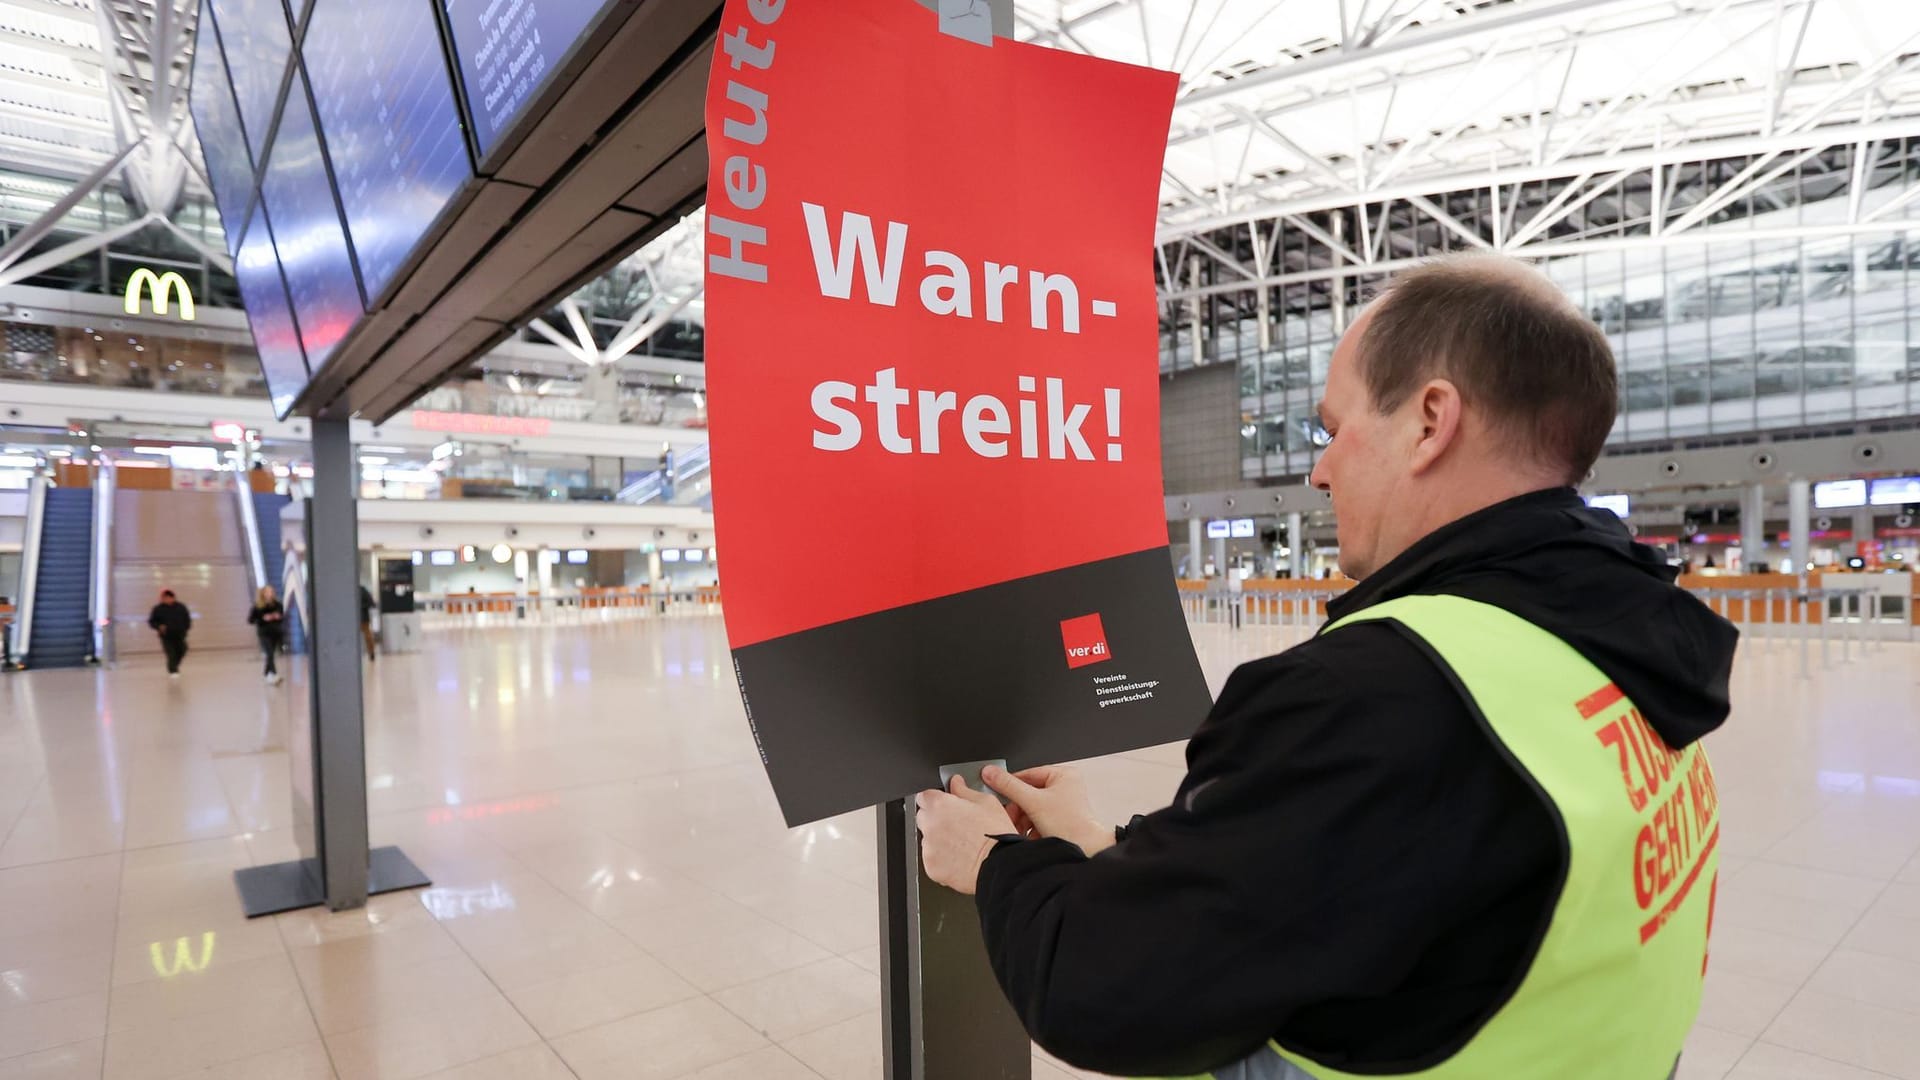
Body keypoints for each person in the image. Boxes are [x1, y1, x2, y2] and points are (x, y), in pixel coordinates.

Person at [916, 255, 1738, 1080]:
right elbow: (1367, 873)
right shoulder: (1620, 637)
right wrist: (1098, 843)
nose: (1318, 469)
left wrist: (995, 864)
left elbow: (1102, 991)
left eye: (1333, 428)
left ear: (1429, 421)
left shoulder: (1378, 692)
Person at [147, 589, 191, 678]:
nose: (164, 600)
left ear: (172, 598)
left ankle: (174, 665)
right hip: (166, 636)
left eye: (167, 598)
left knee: (182, 650)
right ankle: (173, 670)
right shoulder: (158, 609)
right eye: (163, 598)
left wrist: (185, 629)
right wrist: (159, 626)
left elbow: (187, 619)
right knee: (171, 653)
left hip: (179, 634)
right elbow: (152, 621)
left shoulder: (181, 607)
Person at [247, 585, 287, 684]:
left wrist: (278, 617)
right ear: (263, 594)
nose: (270, 594)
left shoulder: (278, 605)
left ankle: (266, 673)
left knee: (271, 654)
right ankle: (274, 674)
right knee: (269, 653)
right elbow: (250, 620)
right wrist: (263, 618)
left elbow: (282, 617)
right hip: (264, 633)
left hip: (275, 633)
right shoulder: (257, 606)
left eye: (271, 592)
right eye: (267, 592)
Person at [359, 584, 377, 661]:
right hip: (356, 618)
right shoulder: (361, 590)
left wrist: (361, 606)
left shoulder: (362, 590)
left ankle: (371, 652)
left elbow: (372, 603)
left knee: (367, 635)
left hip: (363, 618)